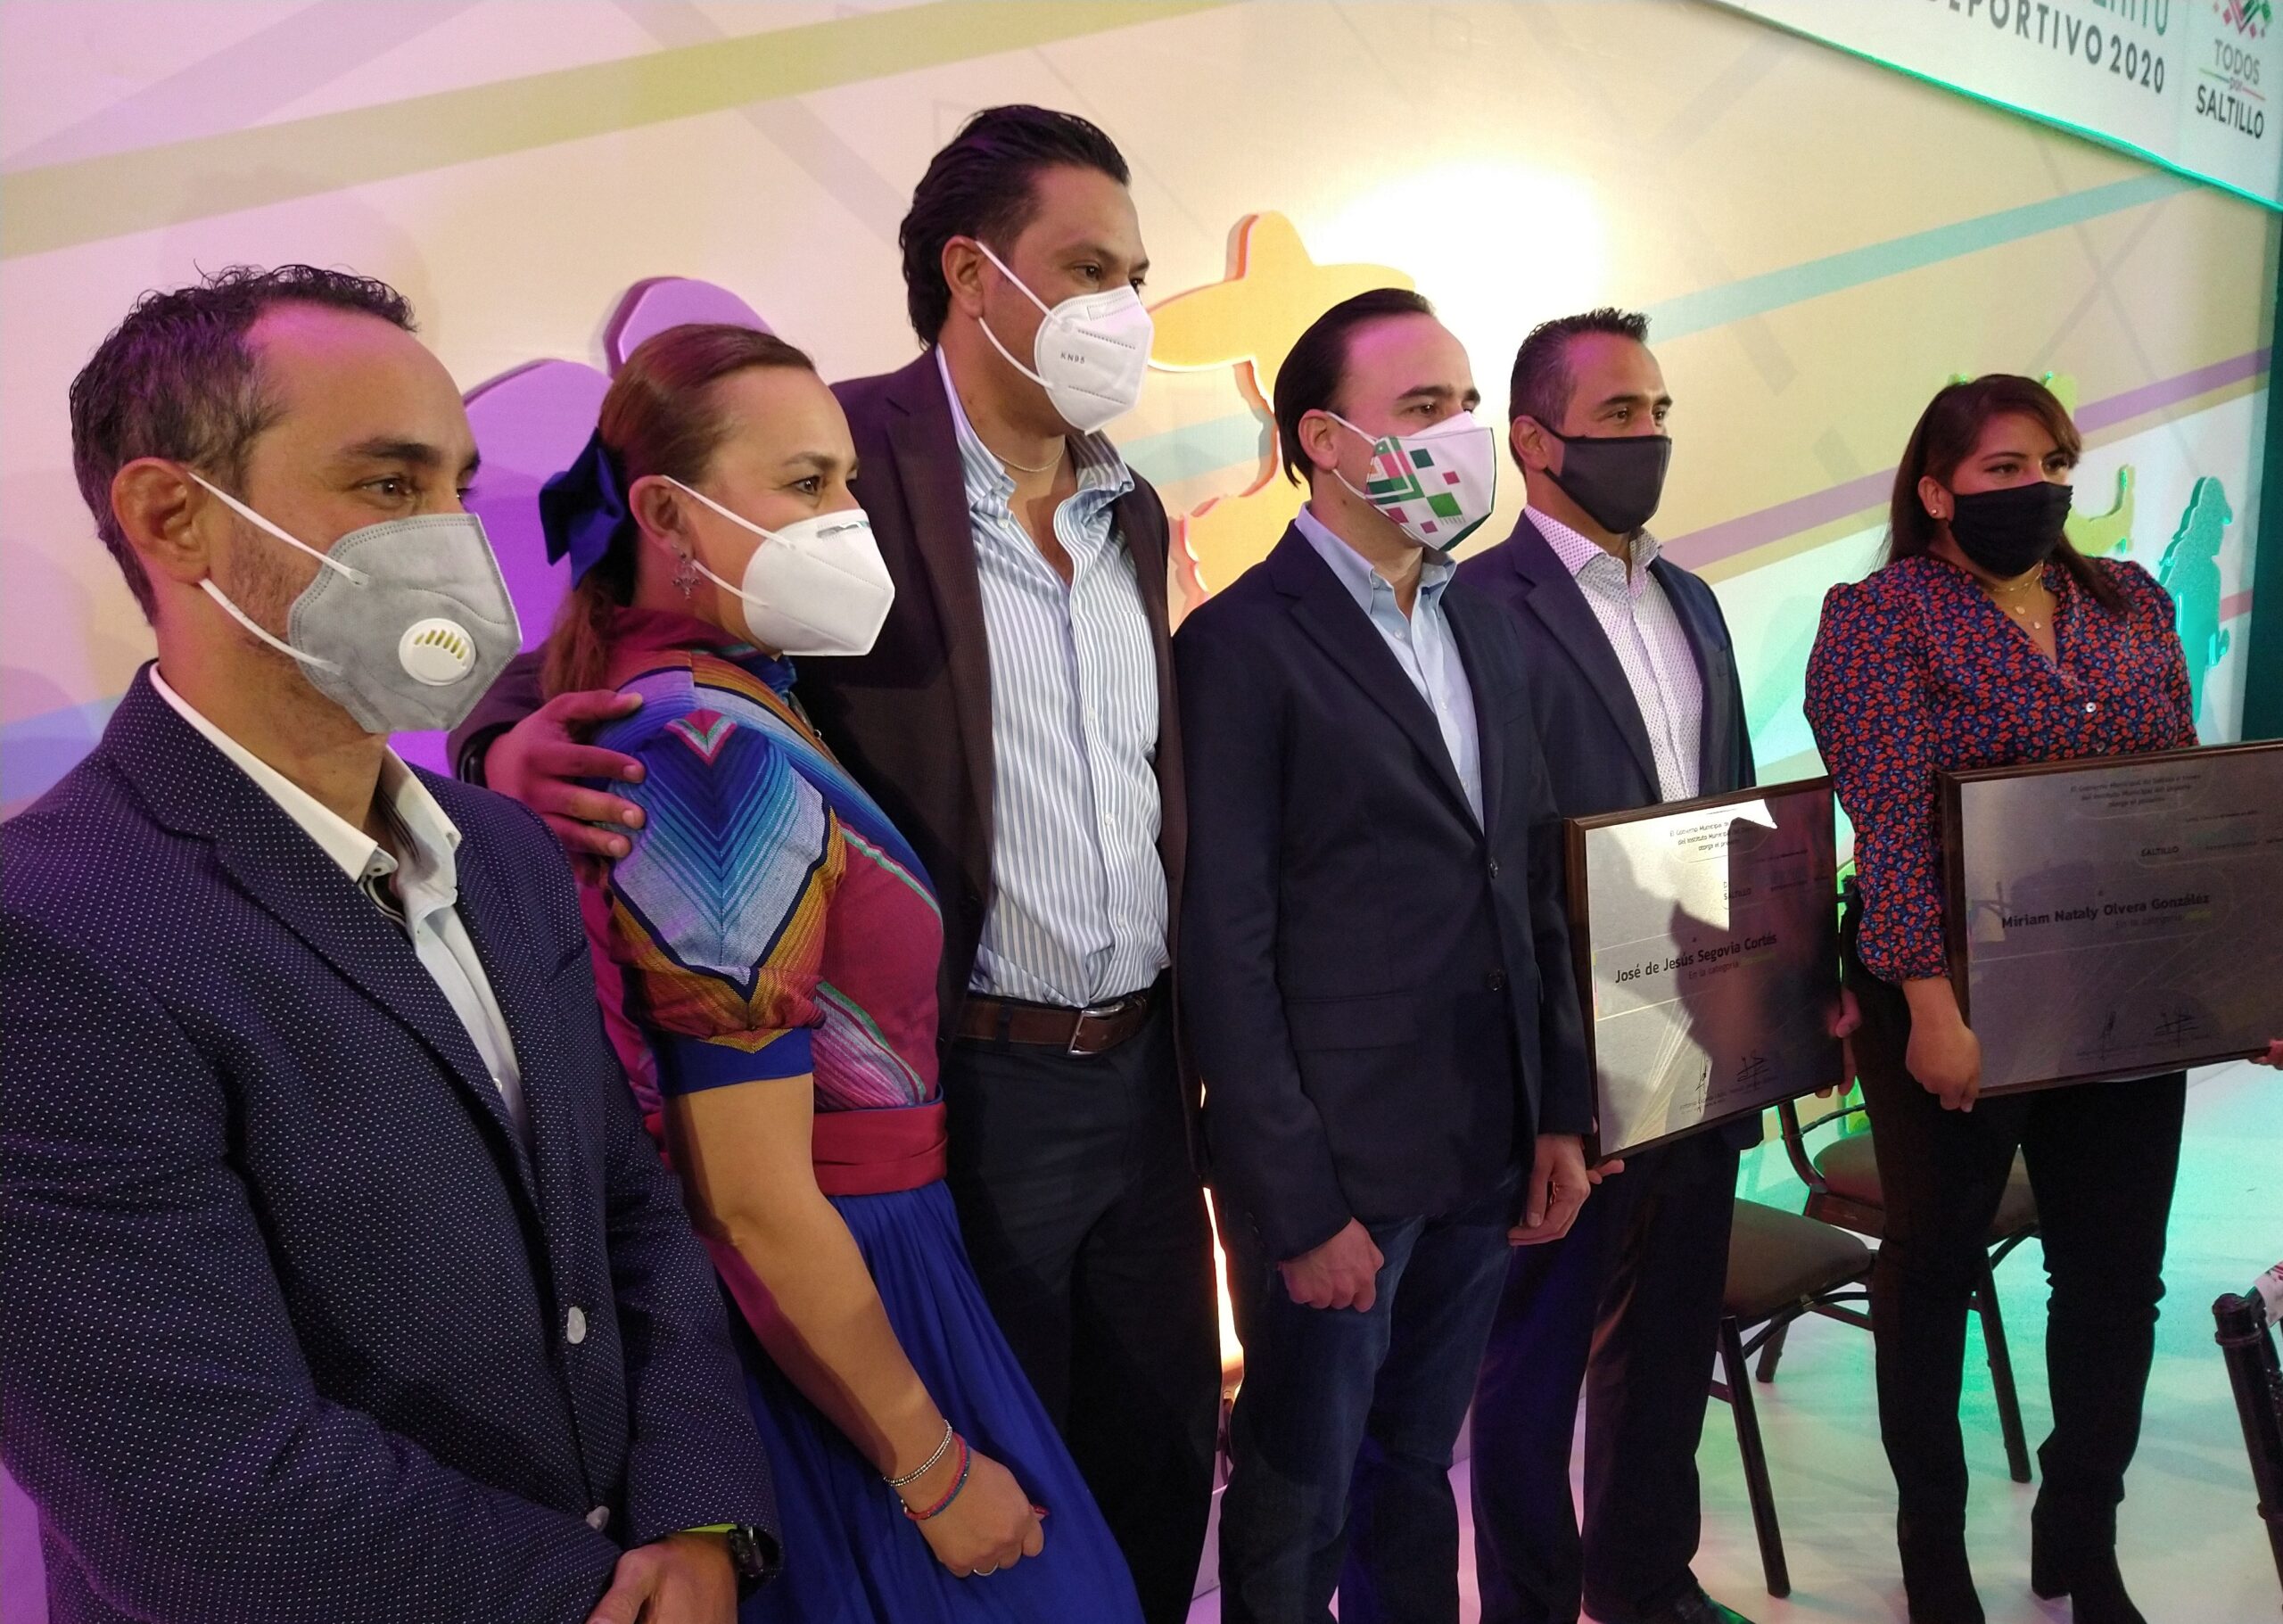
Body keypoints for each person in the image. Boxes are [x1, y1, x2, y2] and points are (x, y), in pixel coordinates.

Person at [446, 106, 1218, 1623]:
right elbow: (607, 628)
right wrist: (499, 750)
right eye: (1089, 268)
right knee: (998, 1519)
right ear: (974, 275)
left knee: (1155, 1461)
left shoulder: (1129, 505)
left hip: (1141, 1070)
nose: (1126, 306)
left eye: (1136, 274)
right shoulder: (832, 454)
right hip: (954, 1100)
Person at [0, 267, 776, 1624]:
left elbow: (627, 1210)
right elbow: (195, 1480)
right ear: (173, 516)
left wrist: (699, 1516)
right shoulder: (53, 934)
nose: (454, 545)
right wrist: (601, 1596)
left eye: (455, 489)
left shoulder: (508, 853)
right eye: (386, 485)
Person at [530, 321, 1144, 1621]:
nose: (847, 520)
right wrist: (928, 1464)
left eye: (848, 482)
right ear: (664, 514)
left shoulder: (729, 695)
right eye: (806, 483)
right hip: (834, 1269)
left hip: (871, 1253)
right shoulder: (704, 752)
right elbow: (748, 1195)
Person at [1176, 287, 1597, 1624]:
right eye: (1424, 407)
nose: (1461, 432)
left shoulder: (1482, 620)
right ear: (1325, 439)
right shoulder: (1238, 645)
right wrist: (1296, 1204)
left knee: (1416, 1469)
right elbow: (1225, 947)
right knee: (1298, 1490)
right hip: (1338, 1171)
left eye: (1467, 403)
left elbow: (1528, 872)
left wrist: (1560, 1107)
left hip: (1483, 1136)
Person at [1804, 374, 2199, 1624]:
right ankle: (1935, 1557)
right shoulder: (1878, 618)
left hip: (2120, 986)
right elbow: (1892, 827)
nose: (2039, 488)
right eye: (2006, 468)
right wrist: (1931, 1009)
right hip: (1950, 989)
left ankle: (2082, 1537)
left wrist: (2229, 979)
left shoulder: (2130, 601)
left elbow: (2181, 802)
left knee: (2117, 1277)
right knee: (1933, 1268)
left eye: (2055, 463)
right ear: (1937, 490)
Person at [1456, 309, 1762, 1624]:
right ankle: (1529, 1601)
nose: (1651, 437)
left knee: (1672, 1336)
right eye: (1620, 415)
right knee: (1532, 1361)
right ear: (1536, 442)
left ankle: (1645, 1582)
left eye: (1659, 412)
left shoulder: (1693, 599)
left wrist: (1773, 1004)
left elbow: (1734, 813)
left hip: (1703, 1031)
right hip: (1563, 1057)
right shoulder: (1476, 607)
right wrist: (1552, 1077)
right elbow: (1492, 860)